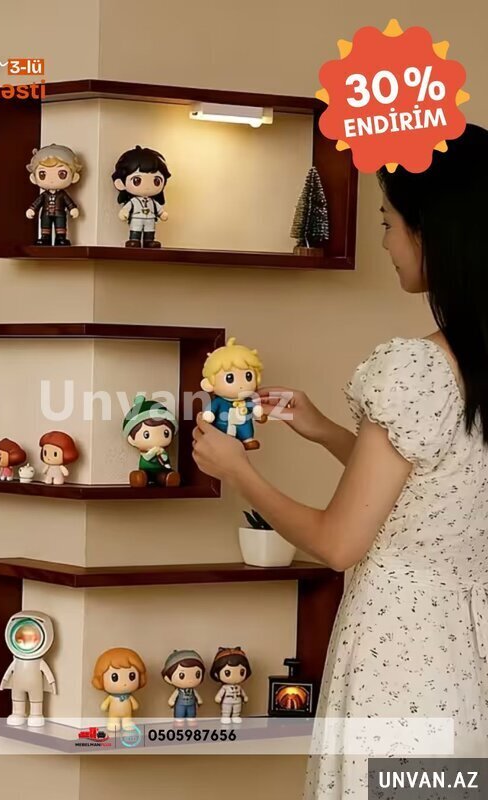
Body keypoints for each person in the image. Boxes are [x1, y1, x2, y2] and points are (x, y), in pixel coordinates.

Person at [192, 124, 488, 795]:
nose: (385, 242)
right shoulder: (472, 365)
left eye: (388, 223)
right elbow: (437, 487)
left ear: (431, 231)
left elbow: (337, 543)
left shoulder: (416, 369)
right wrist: (324, 430)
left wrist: (239, 472)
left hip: (399, 658)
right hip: (467, 654)